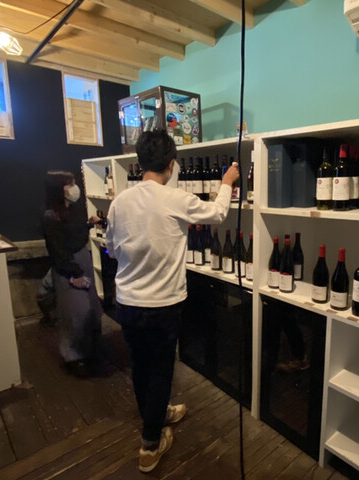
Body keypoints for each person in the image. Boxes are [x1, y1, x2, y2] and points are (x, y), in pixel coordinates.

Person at [106, 129, 239, 473]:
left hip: (127, 302)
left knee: (141, 366)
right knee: (162, 368)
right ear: (171, 164)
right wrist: (227, 181)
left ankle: (157, 414)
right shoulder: (175, 198)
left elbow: (112, 248)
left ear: (140, 162)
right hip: (163, 305)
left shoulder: (120, 202)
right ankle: (150, 444)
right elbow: (218, 214)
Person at [42, 171, 106, 377]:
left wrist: (91, 224)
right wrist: (74, 273)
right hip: (68, 267)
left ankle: (91, 350)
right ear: (58, 189)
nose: (74, 188)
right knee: (75, 313)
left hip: (82, 259)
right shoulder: (51, 216)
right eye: (69, 184)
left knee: (92, 309)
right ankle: (73, 357)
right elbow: (57, 250)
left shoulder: (74, 210)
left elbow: (75, 233)